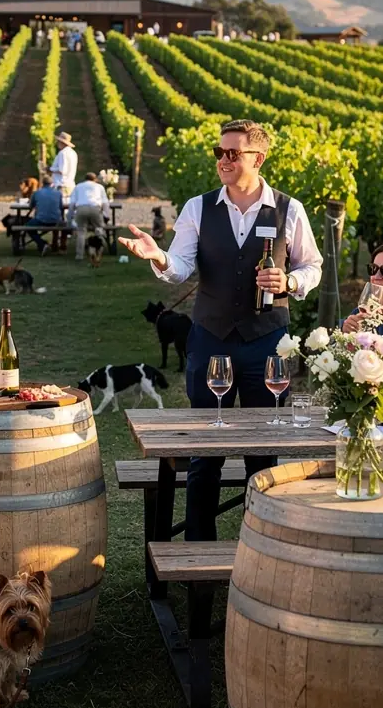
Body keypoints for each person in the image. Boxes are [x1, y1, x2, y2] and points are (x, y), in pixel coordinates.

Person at [119, 118, 323, 540]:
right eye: (219, 152)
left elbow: (312, 266)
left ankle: (264, 543)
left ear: (258, 158)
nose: (223, 160)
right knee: (203, 453)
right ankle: (197, 543)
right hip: (210, 338)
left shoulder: (289, 209)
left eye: (233, 153)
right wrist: (158, 256)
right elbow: (179, 269)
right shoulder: (199, 207)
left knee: (263, 453)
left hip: (268, 342)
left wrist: (291, 282)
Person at [68, 172, 111, 261]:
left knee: (81, 232)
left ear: (85, 178)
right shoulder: (99, 187)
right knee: (99, 228)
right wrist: (106, 215)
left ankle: (79, 255)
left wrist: (70, 215)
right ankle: (100, 250)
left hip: (81, 209)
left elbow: (72, 203)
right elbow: (105, 203)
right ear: (95, 179)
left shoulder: (78, 186)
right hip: (95, 208)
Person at [26, 175, 63, 256]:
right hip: (56, 220)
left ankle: (42, 243)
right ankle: (57, 246)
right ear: (52, 184)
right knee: (62, 224)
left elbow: (30, 206)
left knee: (28, 226)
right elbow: (61, 207)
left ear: (42, 183)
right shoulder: (58, 193)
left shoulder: (37, 193)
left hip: (41, 220)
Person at [50, 131, 78, 198]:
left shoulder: (63, 153)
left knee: (61, 206)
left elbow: (62, 170)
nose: (57, 143)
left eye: (59, 141)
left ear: (62, 143)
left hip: (62, 186)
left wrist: (50, 169)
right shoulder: (73, 153)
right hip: (70, 185)